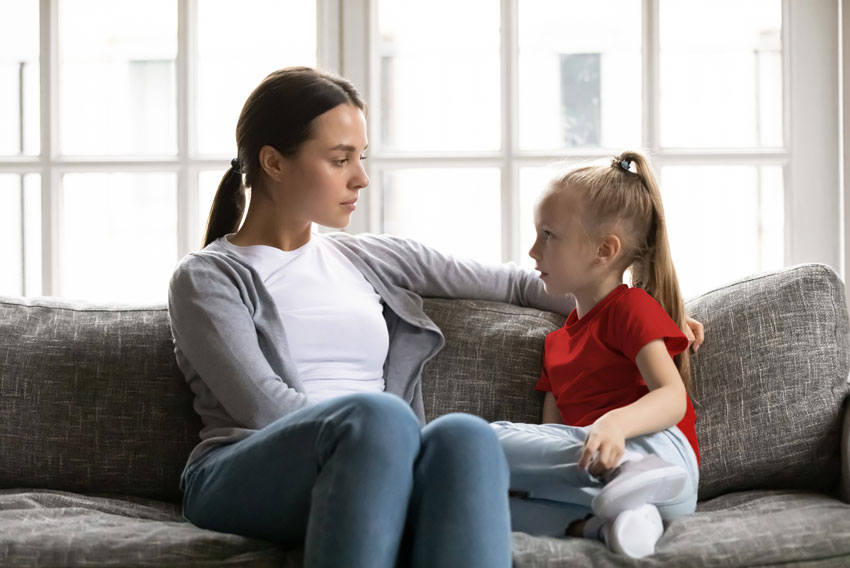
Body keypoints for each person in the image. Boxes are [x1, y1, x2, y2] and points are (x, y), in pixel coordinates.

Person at [167, 66, 703, 567]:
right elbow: (263, 410)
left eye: (363, 158)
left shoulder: (368, 257)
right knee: (384, 419)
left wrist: (658, 313)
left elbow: (522, 283)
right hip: (246, 470)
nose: (361, 179)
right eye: (340, 159)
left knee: (464, 438)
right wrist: (389, 441)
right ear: (274, 163)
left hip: (382, 453)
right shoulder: (208, 278)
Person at [491, 151, 701, 559]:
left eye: (548, 235)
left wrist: (614, 426)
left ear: (604, 250)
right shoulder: (556, 345)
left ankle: (626, 472)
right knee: (493, 500)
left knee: (481, 439)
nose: (533, 251)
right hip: (603, 487)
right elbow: (551, 440)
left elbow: (673, 398)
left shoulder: (631, 306)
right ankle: (610, 528)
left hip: (662, 461)